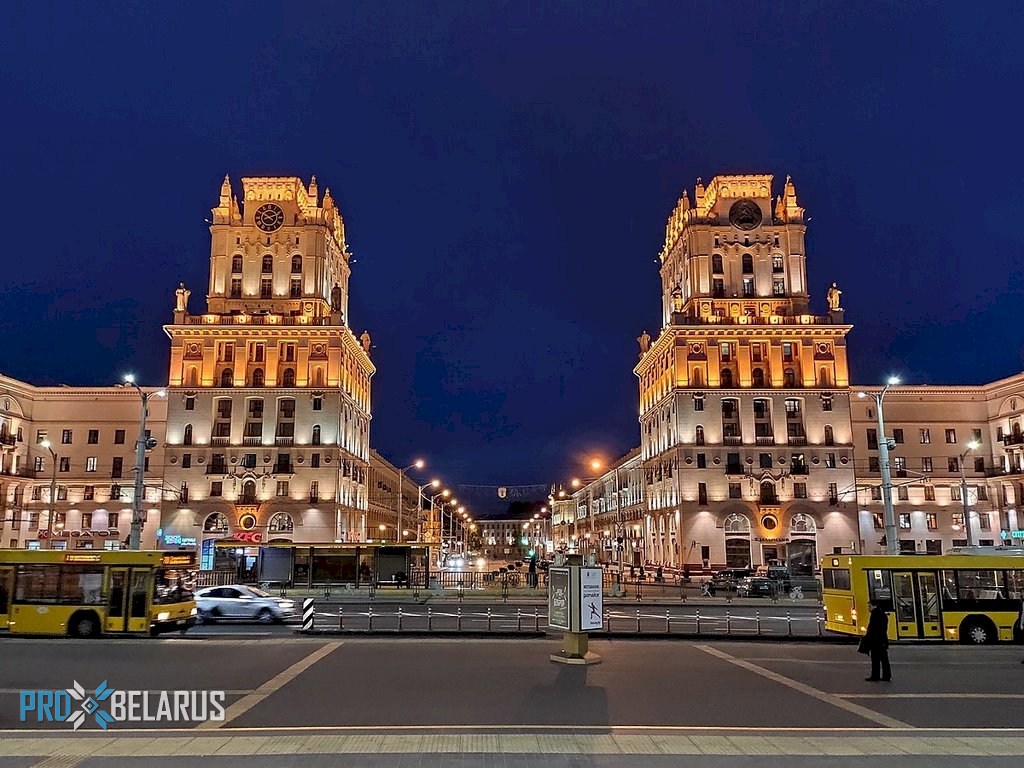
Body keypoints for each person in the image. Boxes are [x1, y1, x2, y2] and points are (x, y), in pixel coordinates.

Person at [860, 599, 891, 682]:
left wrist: (867, 638)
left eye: (869, 606)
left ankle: (875, 676)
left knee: (875, 659)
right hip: (882, 640)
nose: (868, 608)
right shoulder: (882, 614)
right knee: (884, 659)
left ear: (875, 606)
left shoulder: (875, 614)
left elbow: (872, 629)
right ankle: (886, 676)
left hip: (876, 641)